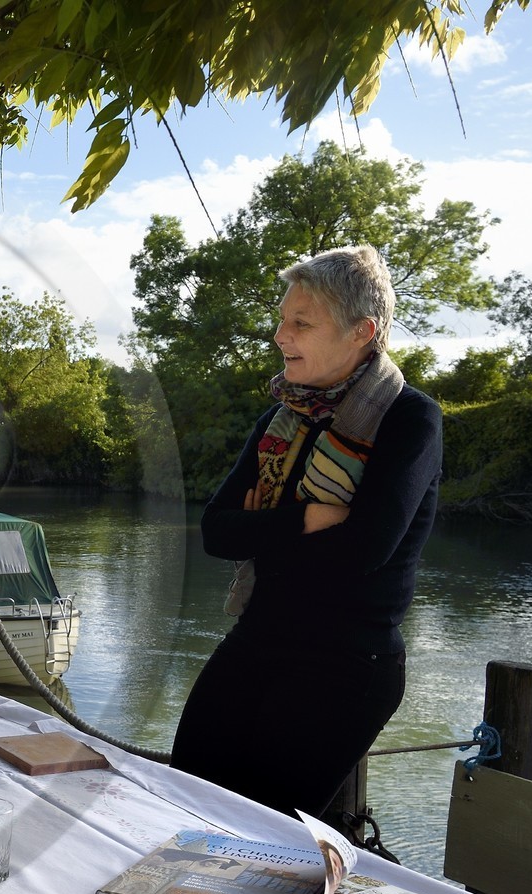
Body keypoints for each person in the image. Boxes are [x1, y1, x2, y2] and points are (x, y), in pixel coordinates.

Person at [170, 245, 442, 820]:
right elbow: (217, 533)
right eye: (281, 319)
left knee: (263, 845)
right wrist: (302, 519)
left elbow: (364, 552)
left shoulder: (410, 420)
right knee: (181, 808)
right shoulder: (284, 418)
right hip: (258, 638)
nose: (278, 335)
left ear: (361, 332)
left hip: (346, 666)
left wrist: (262, 529)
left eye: (300, 322)